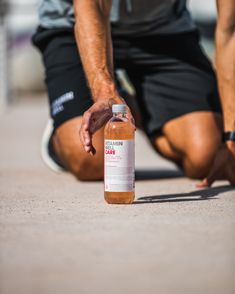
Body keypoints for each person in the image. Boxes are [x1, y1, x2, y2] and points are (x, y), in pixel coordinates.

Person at [33, 0, 235, 186]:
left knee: (208, 156)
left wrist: (231, 134)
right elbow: (91, 4)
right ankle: (62, 128)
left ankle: (132, 105)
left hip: (162, 27)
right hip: (72, 22)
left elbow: (230, 30)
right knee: (91, 161)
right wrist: (104, 91)